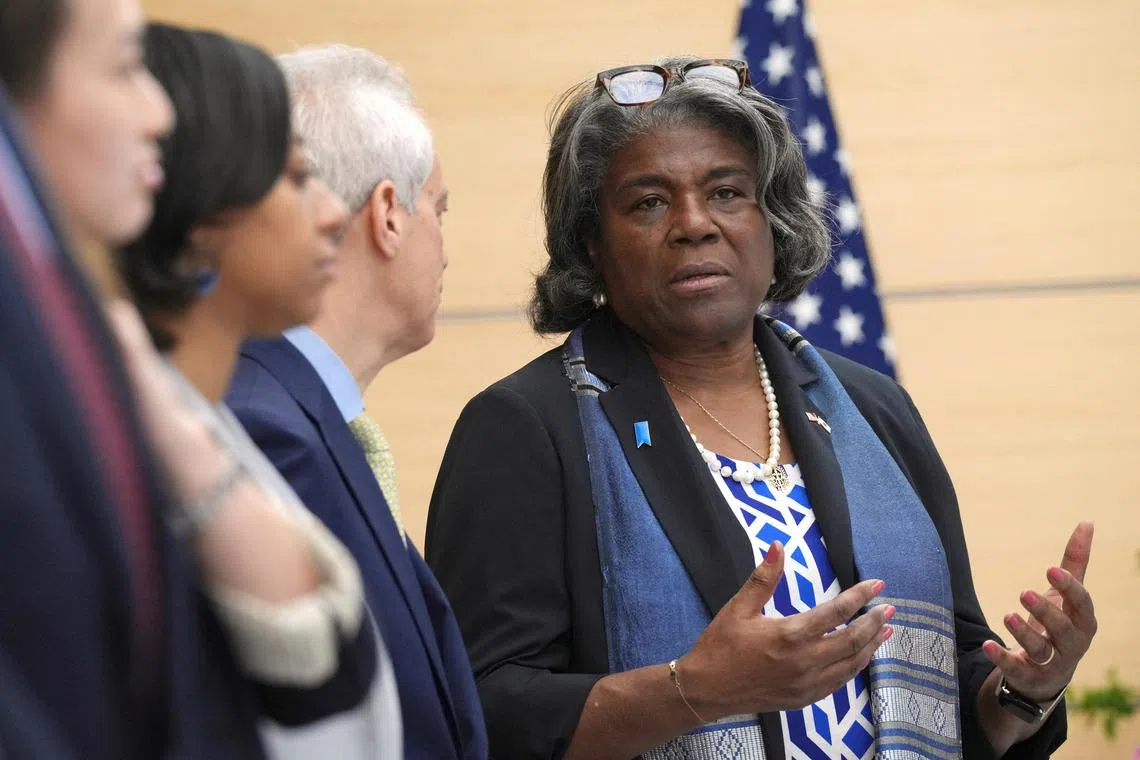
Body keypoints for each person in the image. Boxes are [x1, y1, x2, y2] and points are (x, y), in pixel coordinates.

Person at [425, 57, 1097, 759]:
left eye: (726, 192)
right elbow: (480, 712)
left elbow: (951, 691)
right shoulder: (525, 428)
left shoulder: (872, 408)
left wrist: (1025, 689)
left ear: (772, 220)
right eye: (648, 203)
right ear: (592, 243)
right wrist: (695, 690)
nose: (694, 224)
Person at [0, 0, 374, 756]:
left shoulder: (105, 354)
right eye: (123, 67)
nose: (158, 114)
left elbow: (332, 671)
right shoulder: (244, 409)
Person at [123, 22, 402, 757]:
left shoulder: (210, 422)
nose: (334, 213)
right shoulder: (185, 443)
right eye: (297, 177)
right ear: (203, 208)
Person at [225, 44, 487, 760]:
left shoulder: (298, 416)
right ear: (388, 215)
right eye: (438, 209)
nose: (445, 250)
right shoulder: (265, 433)